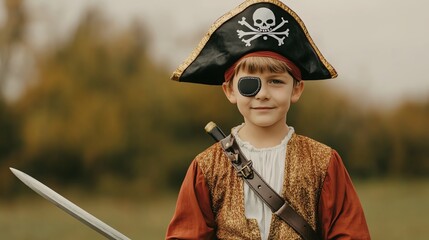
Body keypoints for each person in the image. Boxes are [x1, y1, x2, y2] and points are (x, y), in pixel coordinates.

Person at [166, 0, 370, 239]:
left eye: (276, 81)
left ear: (296, 89)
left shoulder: (324, 163)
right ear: (230, 91)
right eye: (249, 84)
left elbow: (350, 234)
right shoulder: (207, 167)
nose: (262, 93)